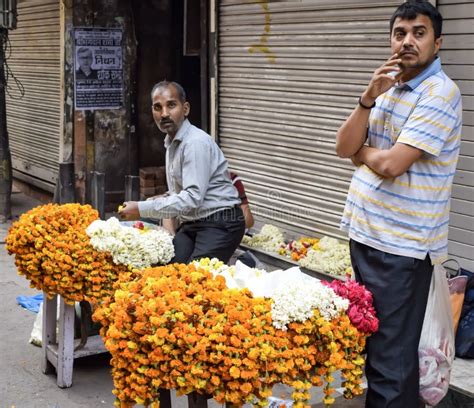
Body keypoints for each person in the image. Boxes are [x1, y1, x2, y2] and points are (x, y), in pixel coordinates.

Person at [335, 1, 462, 407]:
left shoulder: (440, 93)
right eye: (400, 33)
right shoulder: (388, 88)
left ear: (437, 43)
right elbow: (343, 147)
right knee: (380, 354)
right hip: (369, 237)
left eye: (418, 33)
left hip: (401, 249)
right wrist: (368, 98)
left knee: (391, 364)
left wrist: (365, 153)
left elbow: (390, 164)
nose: (407, 41)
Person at [120, 80, 245, 264]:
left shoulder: (194, 143)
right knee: (168, 270)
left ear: (185, 109)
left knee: (194, 281)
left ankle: (245, 264)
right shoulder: (171, 143)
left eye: (171, 105)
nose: (164, 114)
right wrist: (155, 202)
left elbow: (193, 197)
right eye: (157, 107)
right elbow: (180, 193)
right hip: (193, 222)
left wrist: (141, 209)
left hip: (220, 222)